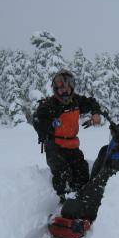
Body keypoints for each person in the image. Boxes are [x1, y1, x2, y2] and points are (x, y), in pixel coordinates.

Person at [33, 69, 102, 202]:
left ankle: (81, 201)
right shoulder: (49, 105)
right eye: (60, 89)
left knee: (82, 169)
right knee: (63, 173)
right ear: (55, 89)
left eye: (67, 88)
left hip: (72, 145)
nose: (64, 92)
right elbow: (37, 119)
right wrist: (49, 128)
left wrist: (95, 113)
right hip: (55, 147)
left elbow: (92, 103)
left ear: (72, 88)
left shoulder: (76, 101)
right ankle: (63, 202)